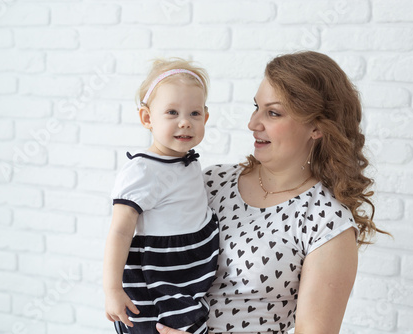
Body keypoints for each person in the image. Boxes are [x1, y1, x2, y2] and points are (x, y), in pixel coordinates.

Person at [155, 51, 389, 334]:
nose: (253, 123)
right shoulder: (211, 182)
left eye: (273, 112)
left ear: (316, 127)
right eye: (256, 107)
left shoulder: (327, 223)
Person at [103, 58, 219, 334]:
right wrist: (112, 289)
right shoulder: (142, 170)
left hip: (186, 281)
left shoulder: (187, 161)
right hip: (156, 282)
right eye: (172, 112)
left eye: (194, 114)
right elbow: (119, 232)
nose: (185, 123)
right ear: (147, 118)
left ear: (206, 117)